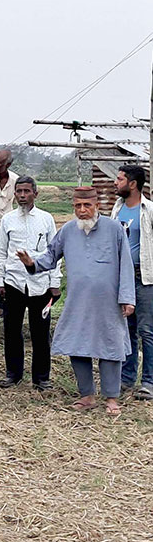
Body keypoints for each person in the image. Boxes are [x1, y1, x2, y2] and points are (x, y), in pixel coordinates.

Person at [18, 186, 133, 416]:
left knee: (111, 348)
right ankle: (87, 396)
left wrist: (127, 298)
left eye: (87, 205)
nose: (82, 210)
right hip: (78, 302)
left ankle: (111, 398)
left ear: (96, 206)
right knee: (77, 345)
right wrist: (31, 263)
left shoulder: (114, 229)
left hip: (108, 302)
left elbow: (126, 265)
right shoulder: (68, 230)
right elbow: (50, 257)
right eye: (78, 206)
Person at [0, 176, 60, 390]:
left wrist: (54, 282)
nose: (22, 196)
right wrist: (0, 282)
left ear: (35, 193)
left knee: (40, 332)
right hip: (13, 282)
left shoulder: (46, 219)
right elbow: (1, 253)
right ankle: (13, 374)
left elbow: (54, 253)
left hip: (40, 283)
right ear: (15, 194)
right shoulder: (8, 220)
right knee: (12, 331)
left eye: (26, 191)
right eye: (19, 191)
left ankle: (41, 377)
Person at [111, 165, 153, 400]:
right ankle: (126, 379)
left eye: (120, 179)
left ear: (133, 184)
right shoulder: (116, 210)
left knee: (147, 331)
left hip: (145, 277)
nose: (115, 183)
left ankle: (148, 381)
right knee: (126, 330)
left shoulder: (148, 210)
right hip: (122, 277)